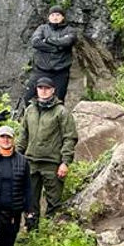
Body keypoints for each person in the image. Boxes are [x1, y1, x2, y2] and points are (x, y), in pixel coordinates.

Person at [18, 78, 79, 231]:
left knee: (54, 201)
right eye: (40, 88)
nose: (43, 91)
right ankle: (32, 233)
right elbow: (23, 136)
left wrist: (65, 162)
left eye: (47, 88)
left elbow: (69, 137)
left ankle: (51, 233)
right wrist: (17, 158)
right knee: (30, 200)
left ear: (53, 90)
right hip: (30, 162)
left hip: (52, 163)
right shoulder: (30, 110)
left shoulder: (61, 112)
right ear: (37, 90)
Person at [19, 6, 77, 109]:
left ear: (63, 17)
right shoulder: (42, 28)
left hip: (60, 71)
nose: (55, 17)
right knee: (28, 96)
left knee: (58, 101)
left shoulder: (70, 30)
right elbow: (35, 42)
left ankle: (55, 122)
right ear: (49, 17)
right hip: (41, 69)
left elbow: (67, 41)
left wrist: (48, 40)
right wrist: (56, 48)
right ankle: (33, 118)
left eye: (58, 15)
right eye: (52, 15)